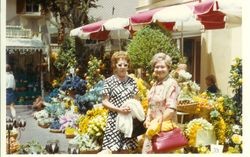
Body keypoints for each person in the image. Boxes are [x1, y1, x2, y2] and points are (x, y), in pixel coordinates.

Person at [99, 51, 139, 153]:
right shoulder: (109, 81)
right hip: (114, 120)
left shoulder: (132, 81)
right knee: (113, 150)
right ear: (114, 66)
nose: (122, 67)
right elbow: (104, 101)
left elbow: (136, 100)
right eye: (120, 65)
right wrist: (119, 109)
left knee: (127, 150)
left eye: (125, 65)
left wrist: (133, 107)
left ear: (128, 66)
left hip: (128, 121)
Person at [142, 53, 180, 154]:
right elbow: (151, 105)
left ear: (168, 68)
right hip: (153, 129)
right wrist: (148, 118)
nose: (159, 69)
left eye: (162, 67)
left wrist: (156, 122)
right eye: (156, 67)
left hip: (165, 130)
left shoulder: (172, 84)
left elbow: (171, 110)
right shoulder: (155, 84)